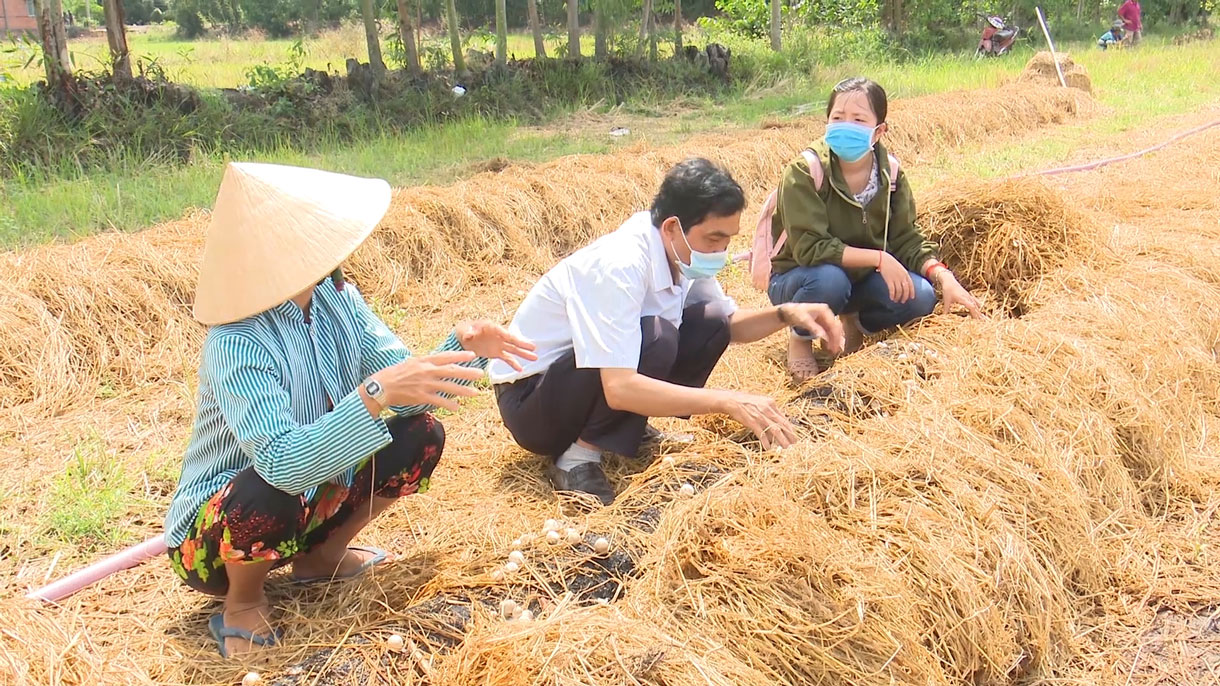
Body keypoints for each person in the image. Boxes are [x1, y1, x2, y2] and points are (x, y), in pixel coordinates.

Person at [164, 162, 535, 658]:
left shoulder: (338, 303)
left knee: (421, 435)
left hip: (311, 497)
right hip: (222, 534)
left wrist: (466, 347)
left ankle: (322, 556)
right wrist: (375, 394)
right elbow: (280, 461)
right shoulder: (237, 342)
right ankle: (242, 602)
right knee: (267, 487)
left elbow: (406, 386)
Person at [491, 158, 845, 505]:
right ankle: (578, 458)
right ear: (673, 227)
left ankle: (624, 428)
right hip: (533, 403)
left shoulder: (681, 255)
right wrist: (728, 401)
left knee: (708, 322)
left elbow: (729, 325)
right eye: (713, 239)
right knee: (658, 337)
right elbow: (619, 387)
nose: (720, 253)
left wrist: (786, 313)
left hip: (580, 382)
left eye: (727, 241)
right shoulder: (620, 264)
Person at [767, 78, 983, 383]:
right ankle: (800, 336)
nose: (845, 126)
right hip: (800, 278)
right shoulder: (805, 172)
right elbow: (809, 248)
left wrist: (943, 276)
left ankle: (853, 321)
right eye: (837, 118)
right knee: (830, 279)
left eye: (858, 120)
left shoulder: (891, 175)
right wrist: (879, 259)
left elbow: (906, 238)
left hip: (857, 278)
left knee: (919, 296)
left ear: (879, 131)